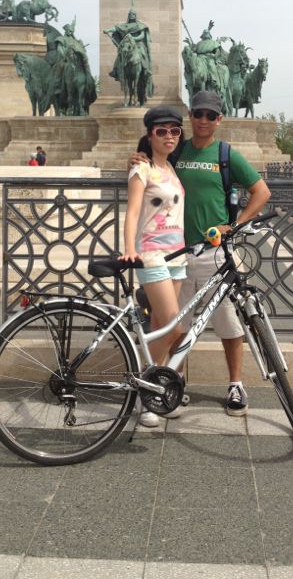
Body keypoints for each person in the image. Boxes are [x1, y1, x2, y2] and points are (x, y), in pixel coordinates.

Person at [131, 90, 271, 416]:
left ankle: (235, 383)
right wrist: (136, 157)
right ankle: (171, 382)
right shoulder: (176, 150)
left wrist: (234, 225)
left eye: (210, 115)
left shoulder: (226, 154)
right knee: (173, 324)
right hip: (176, 253)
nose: (203, 120)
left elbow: (261, 192)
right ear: (190, 117)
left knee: (228, 323)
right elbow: (152, 162)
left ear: (219, 119)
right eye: (198, 114)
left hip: (214, 253)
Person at [122, 105, 187, 428]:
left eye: (174, 130)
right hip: (152, 255)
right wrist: (129, 249)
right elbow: (133, 212)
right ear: (150, 135)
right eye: (162, 131)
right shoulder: (141, 169)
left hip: (178, 256)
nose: (169, 136)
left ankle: (154, 394)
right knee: (175, 328)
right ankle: (147, 386)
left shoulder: (172, 169)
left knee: (161, 325)